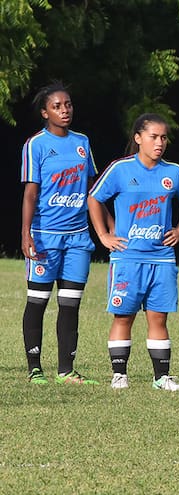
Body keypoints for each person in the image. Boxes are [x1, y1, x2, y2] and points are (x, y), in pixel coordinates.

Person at [87, 113, 179, 391]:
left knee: (158, 317)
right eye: (153, 137)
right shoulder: (120, 170)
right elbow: (95, 198)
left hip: (161, 259)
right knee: (124, 316)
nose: (160, 143)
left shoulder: (174, 173)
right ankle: (119, 375)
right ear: (138, 139)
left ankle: (161, 378)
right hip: (127, 258)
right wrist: (103, 234)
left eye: (163, 138)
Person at [20, 82, 99, 385]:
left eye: (68, 104)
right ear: (45, 112)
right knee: (38, 300)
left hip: (77, 237)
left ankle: (66, 370)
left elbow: (92, 190)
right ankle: (34, 368)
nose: (64, 110)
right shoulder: (35, 145)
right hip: (44, 236)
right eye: (57, 106)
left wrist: (105, 228)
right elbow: (30, 193)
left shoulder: (82, 142)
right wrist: (26, 234)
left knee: (70, 303)